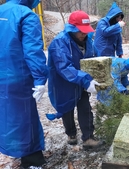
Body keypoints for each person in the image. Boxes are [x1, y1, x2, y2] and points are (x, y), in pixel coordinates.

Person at [0, 0, 48, 168]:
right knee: (25, 119)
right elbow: (33, 50)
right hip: (18, 78)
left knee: (5, 116)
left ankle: (11, 148)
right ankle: (31, 161)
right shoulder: (26, 15)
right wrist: (40, 78)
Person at [47, 10, 104, 149]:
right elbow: (64, 67)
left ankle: (88, 138)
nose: (83, 33)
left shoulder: (88, 41)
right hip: (64, 82)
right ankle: (71, 134)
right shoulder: (60, 43)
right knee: (67, 108)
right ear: (72, 28)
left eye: (86, 30)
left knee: (85, 107)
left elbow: (96, 58)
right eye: (80, 30)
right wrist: (85, 80)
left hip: (82, 82)